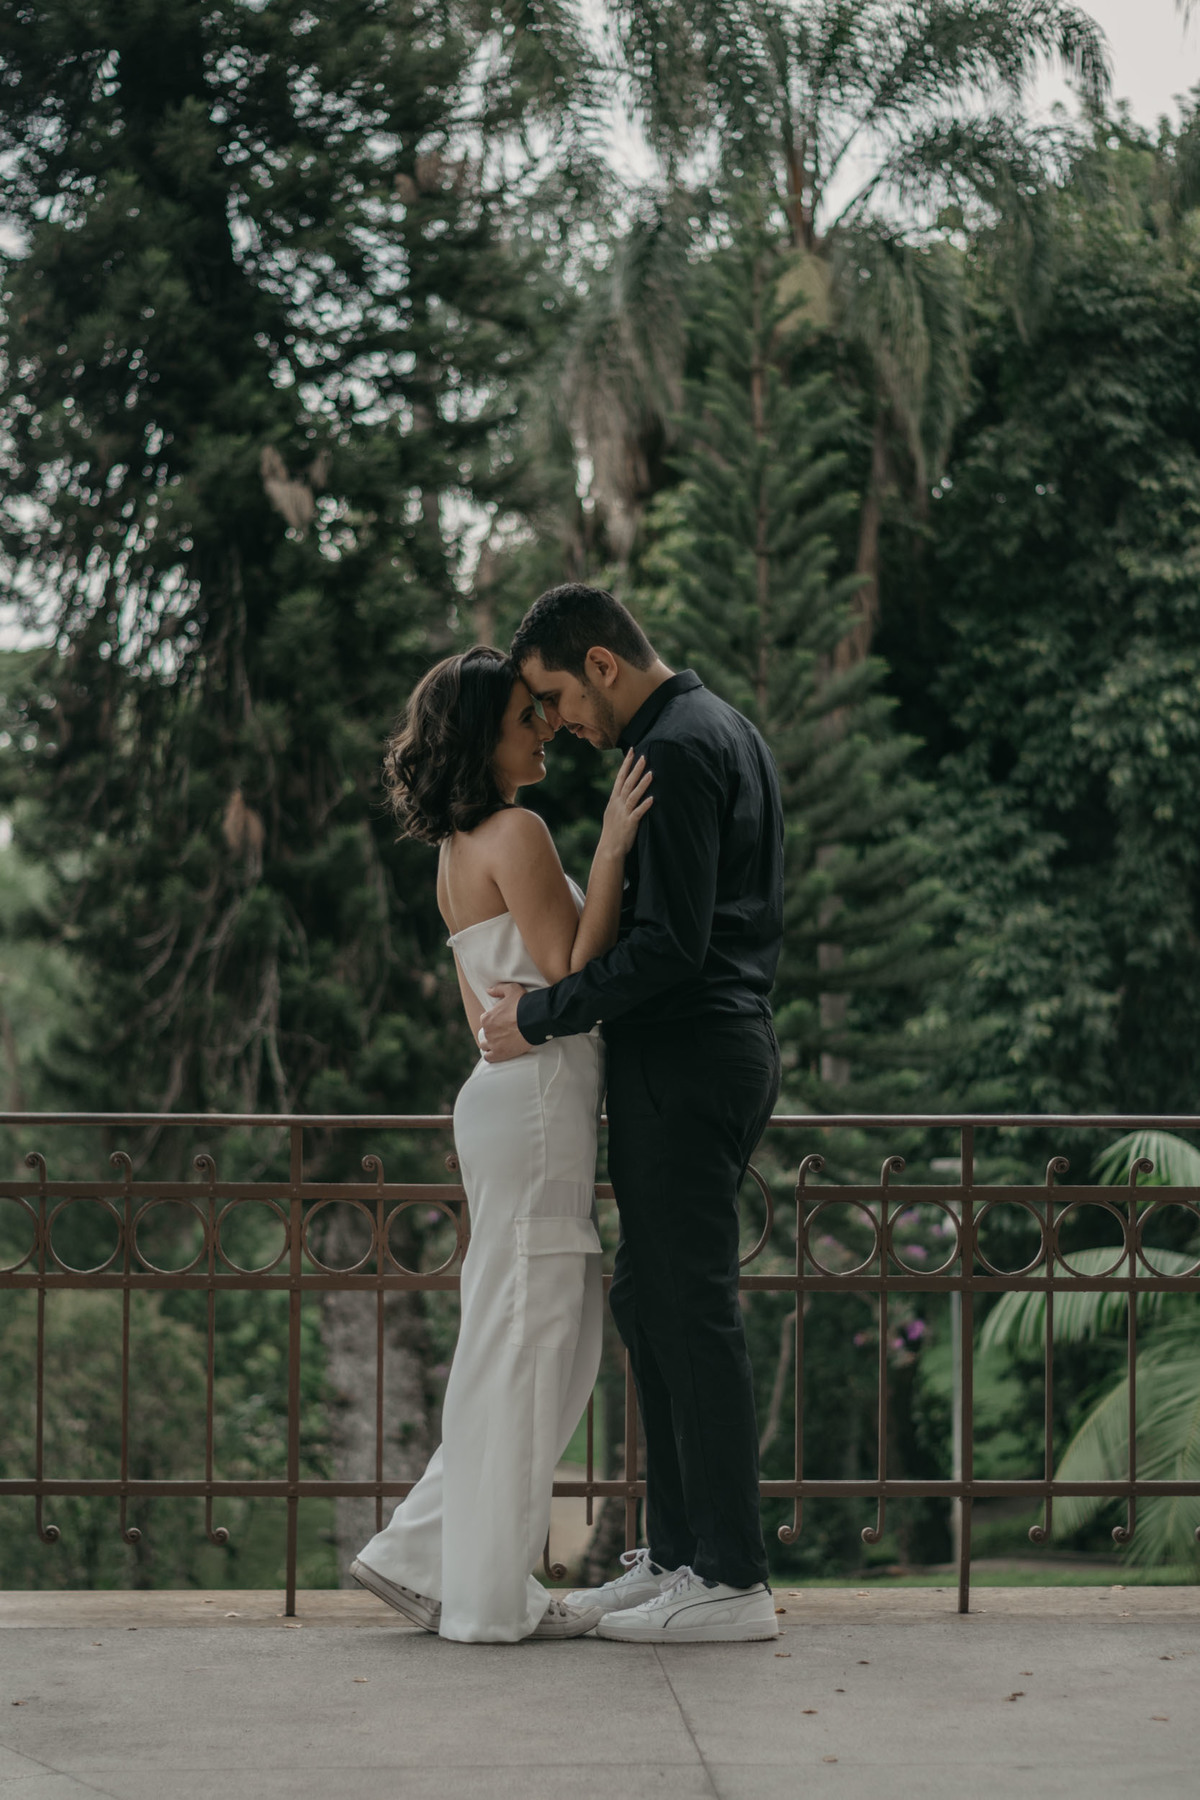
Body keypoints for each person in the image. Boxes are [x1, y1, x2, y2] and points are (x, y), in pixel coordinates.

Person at [478, 585, 784, 1645]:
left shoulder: (677, 747)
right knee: (650, 1301)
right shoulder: (716, 727)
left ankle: (734, 1582)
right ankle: (680, 1555)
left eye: (558, 697)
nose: (558, 722)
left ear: (601, 664)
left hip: (690, 1059)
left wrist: (541, 1014)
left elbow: (672, 947)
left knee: (690, 1308)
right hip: (700, 1057)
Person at [350, 645, 652, 1643]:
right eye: (529, 717)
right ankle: (484, 1598)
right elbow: (570, 969)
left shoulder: (455, 852)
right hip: (535, 1102)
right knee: (533, 1338)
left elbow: (485, 1011)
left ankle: (421, 1554)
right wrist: (611, 849)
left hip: (507, 1098)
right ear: (484, 736)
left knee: (524, 1335)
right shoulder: (517, 831)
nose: (547, 730)